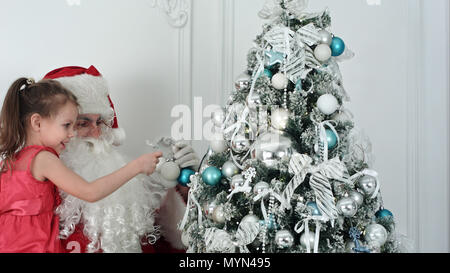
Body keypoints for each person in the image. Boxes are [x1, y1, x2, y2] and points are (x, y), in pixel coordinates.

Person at [43, 65, 197, 253]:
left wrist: (187, 185)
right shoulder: (39, 187)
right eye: (83, 123)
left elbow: (168, 242)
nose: (97, 132)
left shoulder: (130, 187)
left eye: (100, 122)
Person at [0, 78, 162, 253]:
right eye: (67, 125)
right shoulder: (44, 159)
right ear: (37, 123)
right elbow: (90, 192)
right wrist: (136, 167)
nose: (72, 134)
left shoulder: (10, 160)